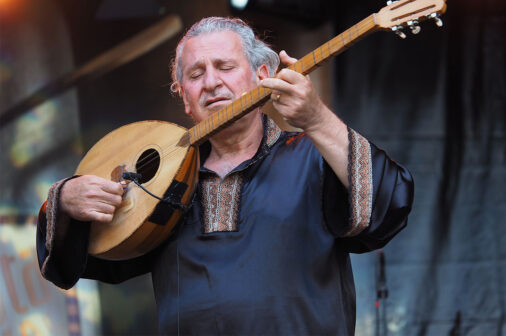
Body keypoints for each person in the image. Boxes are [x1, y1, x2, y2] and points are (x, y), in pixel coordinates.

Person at [36, 17, 414, 335]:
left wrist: (316, 119)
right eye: (196, 74)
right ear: (184, 97)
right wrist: (67, 201)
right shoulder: (159, 182)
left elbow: (387, 207)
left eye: (225, 67)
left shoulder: (313, 156)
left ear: (262, 75)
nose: (212, 82)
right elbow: (81, 260)